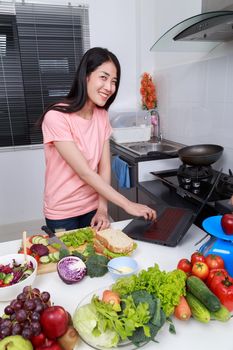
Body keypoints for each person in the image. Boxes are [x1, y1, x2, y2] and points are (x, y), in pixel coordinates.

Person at [38, 47, 156, 233]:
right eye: (103, 77)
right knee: (70, 261)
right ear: (86, 76)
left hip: (92, 207)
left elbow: (104, 167)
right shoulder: (56, 116)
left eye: (114, 81)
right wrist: (127, 204)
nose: (109, 87)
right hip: (62, 211)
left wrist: (103, 208)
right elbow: (85, 172)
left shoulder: (101, 116)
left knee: (96, 259)